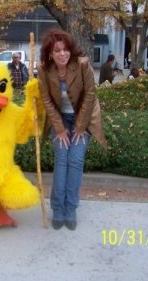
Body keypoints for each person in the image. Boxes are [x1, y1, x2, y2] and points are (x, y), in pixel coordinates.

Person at [37, 28, 108, 231]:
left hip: (82, 118)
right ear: (50, 53)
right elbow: (47, 100)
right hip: (59, 119)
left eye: (65, 49)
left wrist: (80, 126)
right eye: (57, 50)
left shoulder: (83, 65)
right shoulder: (44, 69)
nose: (62, 54)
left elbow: (90, 95)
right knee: (62, 161)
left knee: (75, 161)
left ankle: (71, 209)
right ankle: (58, 209)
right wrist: (59, 129)